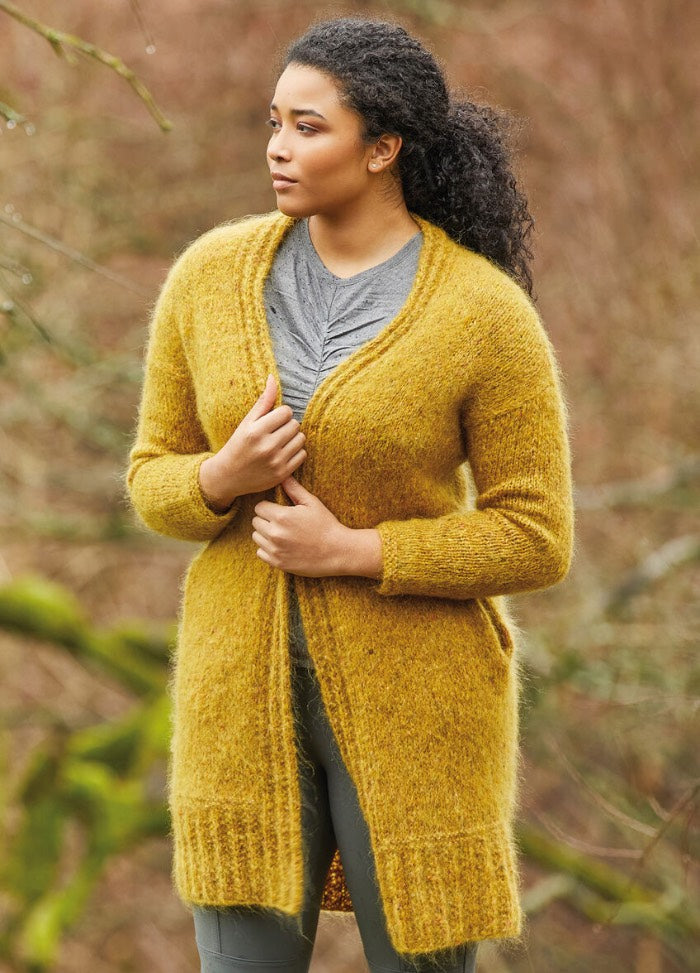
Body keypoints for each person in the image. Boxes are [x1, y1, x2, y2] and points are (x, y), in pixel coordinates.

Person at [124, 15, 575, 973]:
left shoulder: (484, 316)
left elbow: (537, 536)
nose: (279, 148)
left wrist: (356, 550)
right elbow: (150, 478)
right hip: (235, 708)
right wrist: (220, 478)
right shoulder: (208, 279)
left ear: (383, 148)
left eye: (308, 126)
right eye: (273, 123)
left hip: (422, 715)